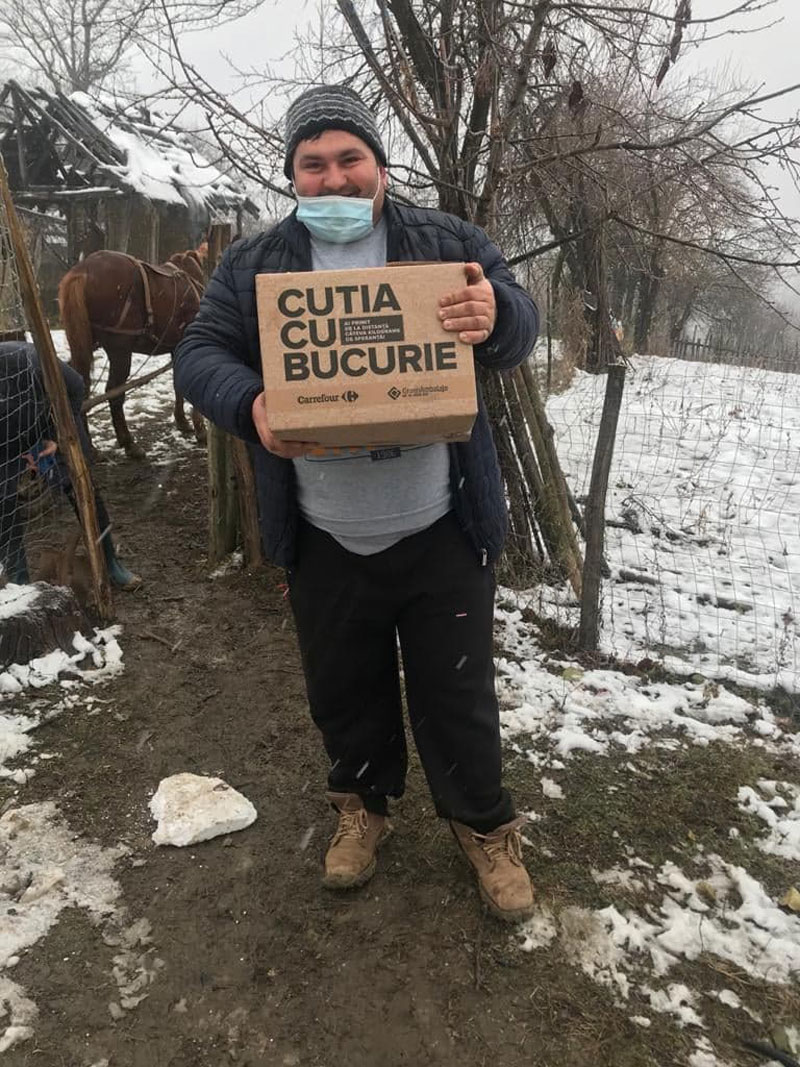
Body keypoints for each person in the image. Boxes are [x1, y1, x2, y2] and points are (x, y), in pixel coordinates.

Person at [174, 85, 539, 922]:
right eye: (314, 163)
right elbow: (199, 351)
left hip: (441, 524)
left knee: (457, 692)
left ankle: (484, 825)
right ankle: (362, 808)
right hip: (324, 531)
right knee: (343, 689)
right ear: (292, 174)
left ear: (380, 164)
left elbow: (520, 322)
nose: (333, 178)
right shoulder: (256, 263)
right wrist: (250, 404)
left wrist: (496, 314)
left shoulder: (447, 243)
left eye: (350, 158)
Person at [0, 341, 138, 590]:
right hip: (7, 442)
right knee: (3, 502)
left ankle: (110, 563)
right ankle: (19, 582)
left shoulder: (27, 360)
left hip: (53, 426)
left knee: (82, 489)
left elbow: (76, 387)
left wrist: (56, 437)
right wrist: (21, 456)